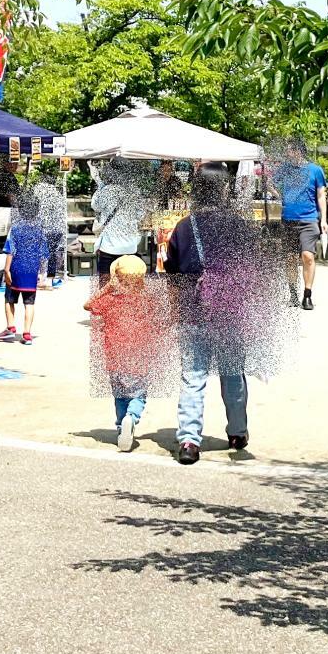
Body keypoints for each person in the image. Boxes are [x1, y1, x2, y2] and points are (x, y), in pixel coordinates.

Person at [164, 169, 252, 462]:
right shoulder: (239, 226)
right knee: (232, 375)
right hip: (229, 313)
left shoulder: (184, 227)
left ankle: (189, 441)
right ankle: (238, 432)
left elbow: (172, 271)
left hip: (192, 311)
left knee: (192, 377)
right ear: (224, 190)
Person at [84, 254, 169, 452]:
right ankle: (131, 417)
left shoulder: (110, 300)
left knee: (120, 395)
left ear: (116, 277)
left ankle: (122, 425)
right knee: (138, 395)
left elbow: (88, 305)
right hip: (140, 359)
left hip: (114, 358)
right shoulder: (147, 300)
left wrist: (108, 287)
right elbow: (160, 322)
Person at [275, 139, 328, 310]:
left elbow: (321, 196)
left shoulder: (315, 170)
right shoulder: (285, 169)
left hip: (309, 219)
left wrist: (324, 220)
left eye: (290, 150)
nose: (287, 153)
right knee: (290, 258)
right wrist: (278, 195)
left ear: (298, 151)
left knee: (308, 256)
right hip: (288, 219)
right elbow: (270, 182)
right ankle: (292, 295)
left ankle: (307, 295)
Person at [0, 195, 46, 345]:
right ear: (37, 211)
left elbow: (10, 251)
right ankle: (26, 334)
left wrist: (6, 270)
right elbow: (43, 254)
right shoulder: (39, 230)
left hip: (16, 270)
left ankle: (11, 327)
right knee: (29, 303)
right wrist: (42, 273)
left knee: (9, 299)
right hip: (32, 271)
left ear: (20, 211)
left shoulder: (16, 228)